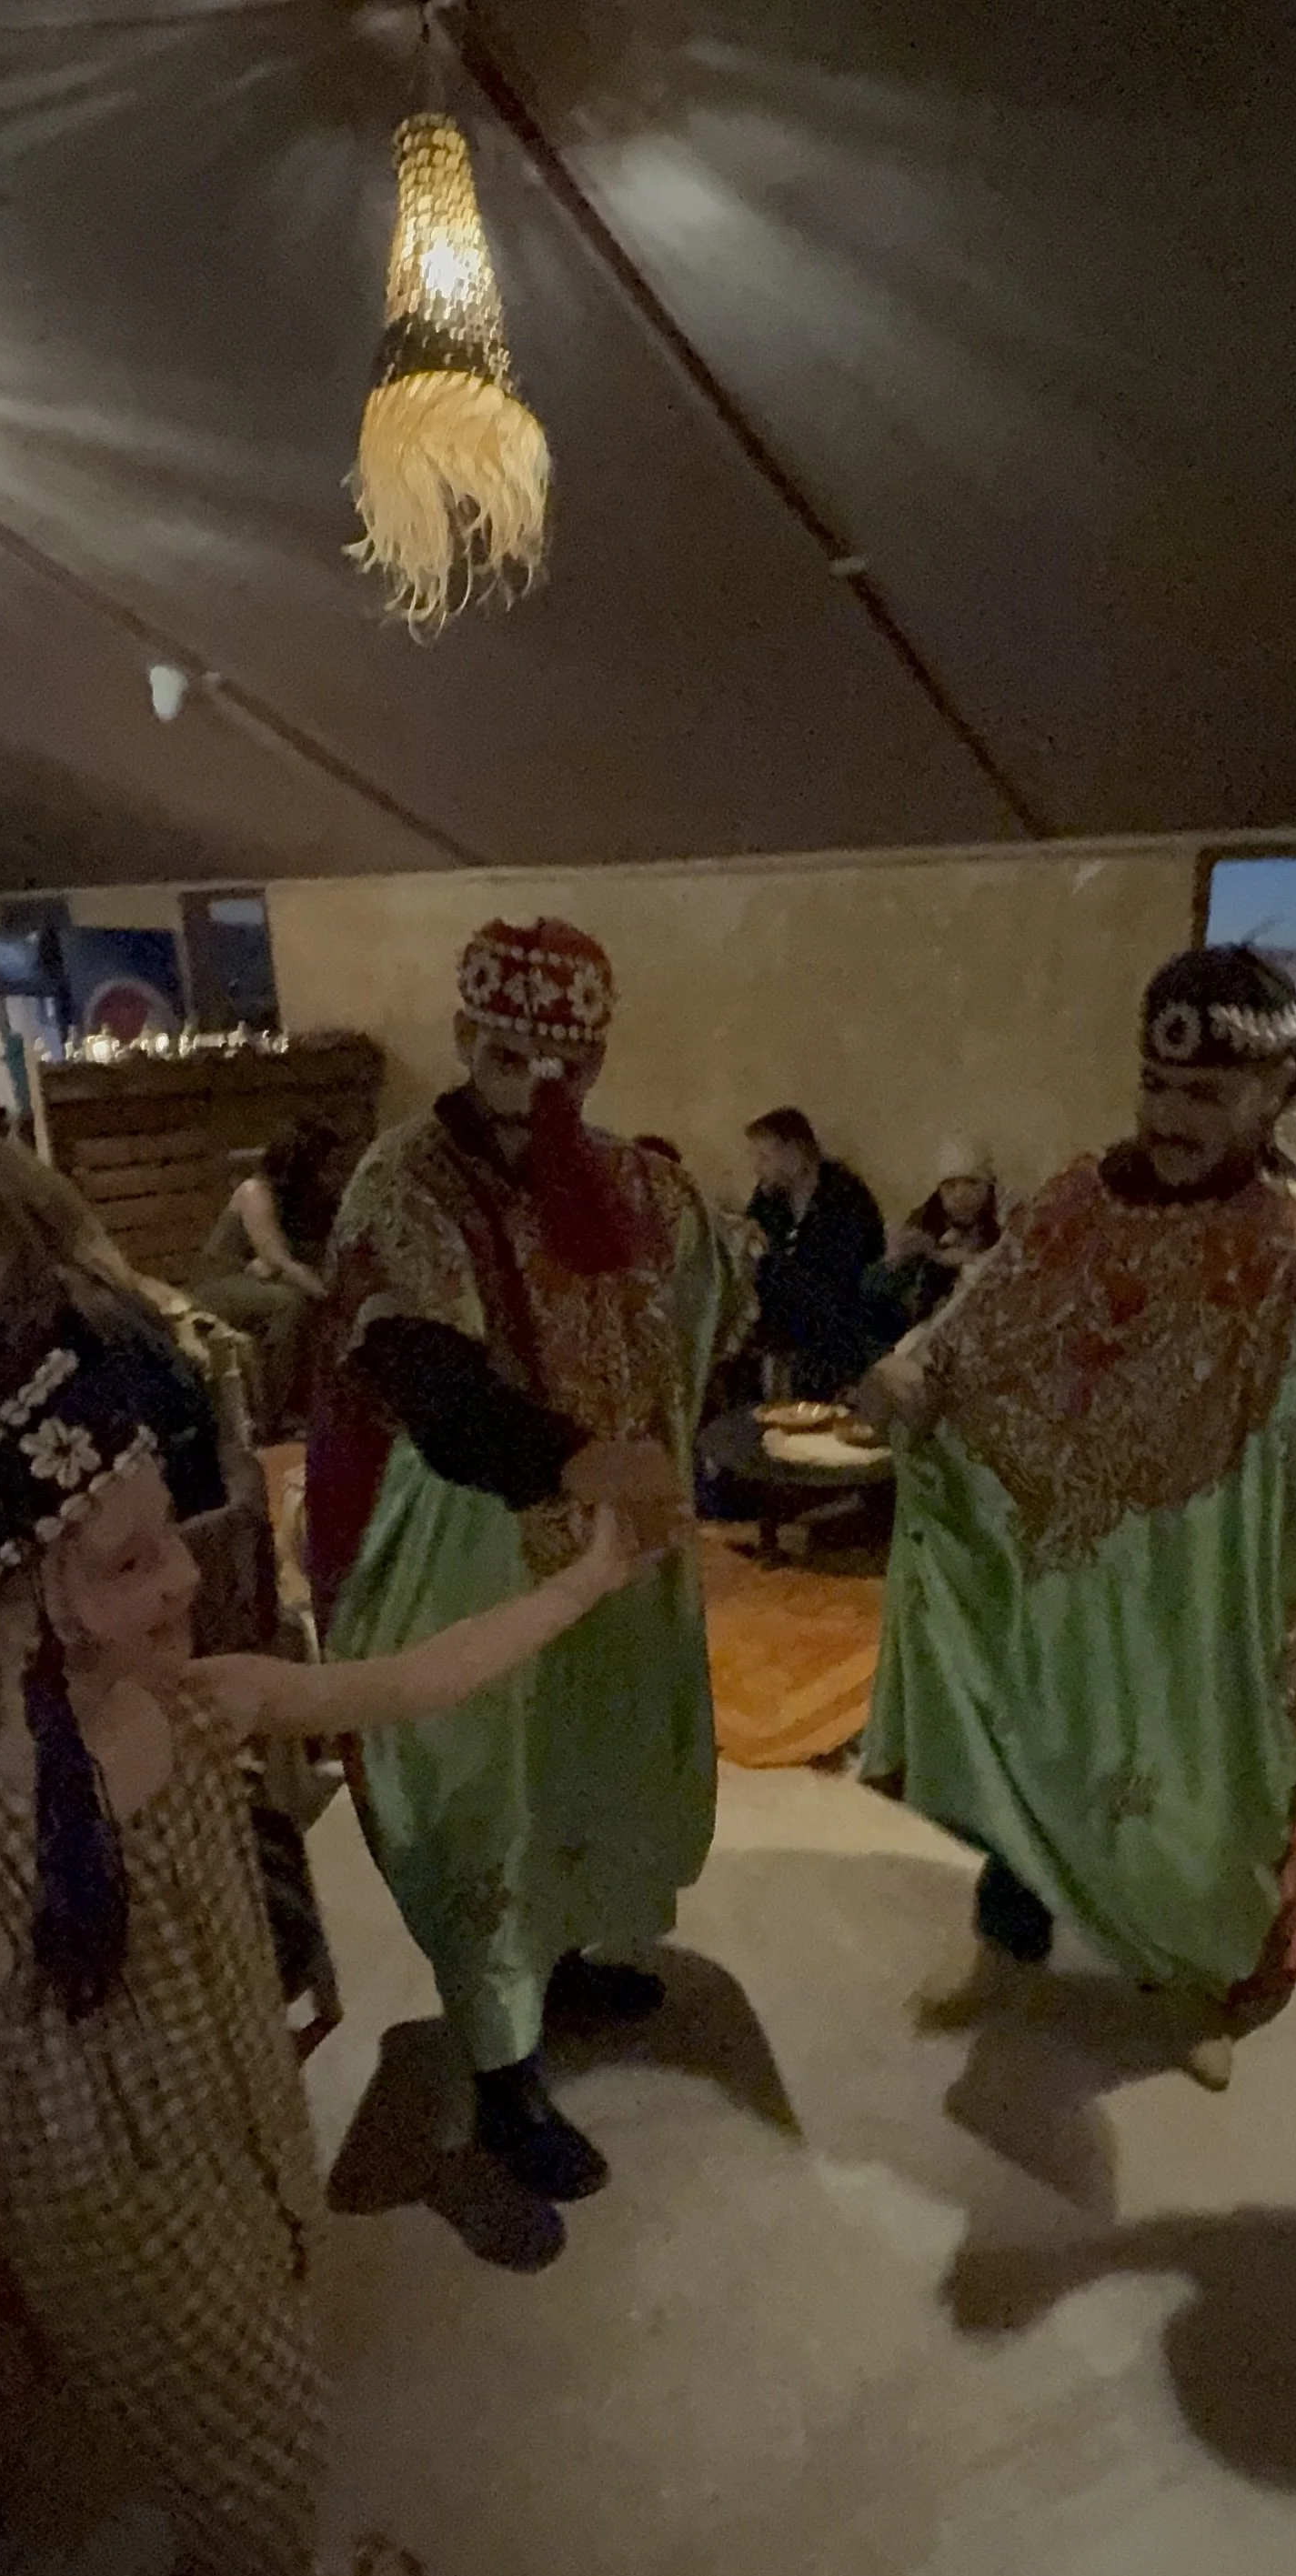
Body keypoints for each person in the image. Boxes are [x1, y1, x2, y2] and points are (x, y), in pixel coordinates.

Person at [0, 1308, 666, 2576]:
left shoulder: (208, 1703)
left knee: (272, 2366)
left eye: (176, 1536)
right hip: (100, 2199)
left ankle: (262, 2566)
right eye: (130, 1562)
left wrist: (587, 1582)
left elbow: (414, 1681)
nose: (184, 1581)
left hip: (237, 2117)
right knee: (245, 2419)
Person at [861, 945, 1296, 2087]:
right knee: (1031, 1754)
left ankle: (1208, 1989)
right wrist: (914, 1372)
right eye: (1156, 1085)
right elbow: (979, 1322)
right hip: (1062, 1573)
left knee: (1215, 1811)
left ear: (1278, 1090)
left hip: (1209, 1611)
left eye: (1207, 1092)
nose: (1171, 1114)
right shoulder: (1075, 1203)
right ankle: (1009, 1946)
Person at [306, 917, 752, 2220]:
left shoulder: (644, 1187)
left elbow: (721, 1304)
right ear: (463, 1041)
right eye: (505, 1056)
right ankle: (502, 2074)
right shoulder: (403, 1186)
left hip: (613, 1576)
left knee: (588, 1774)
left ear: (598, 1060)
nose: (530, 1089)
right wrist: (567, 1458)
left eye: (561, 1067)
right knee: (481, 1801)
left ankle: (560, 1966)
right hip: (468, 1562)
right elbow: (422, 1372)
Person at [0, 1134, 226, 1519]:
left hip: (149, 1544)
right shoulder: (95, 1294)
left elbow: (46, 1477)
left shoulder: (55, 1326)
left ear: (3, 1227)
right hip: (179, 1523)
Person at [190, 1118, 349, 1438]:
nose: (333, 1173)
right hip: (218, 1284)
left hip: (264, 1282)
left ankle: (324, 1406)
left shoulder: (316, 1200)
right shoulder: (255, 1190)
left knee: (300, 1296)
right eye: (326, 1165)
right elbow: (279, 1258)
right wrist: (327, 1294)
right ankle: (272, 1418)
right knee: (289, 1303)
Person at [743, 1107, 886, 1397]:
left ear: (795, 1152)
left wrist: (767, 1258)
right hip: (782, 1326)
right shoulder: (770, 1197)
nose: (757, 1167)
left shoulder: (844, 1199)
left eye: (765, 1157)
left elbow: (833, 1285)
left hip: (836, 1333)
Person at [861, 1138, 1001, 1356]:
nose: (960, 1195)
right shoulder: (926, 1225)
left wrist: (953, 1258)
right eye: (951, 1186)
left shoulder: (1002, 1222)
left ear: (989, 1187)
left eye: (972, 1183)